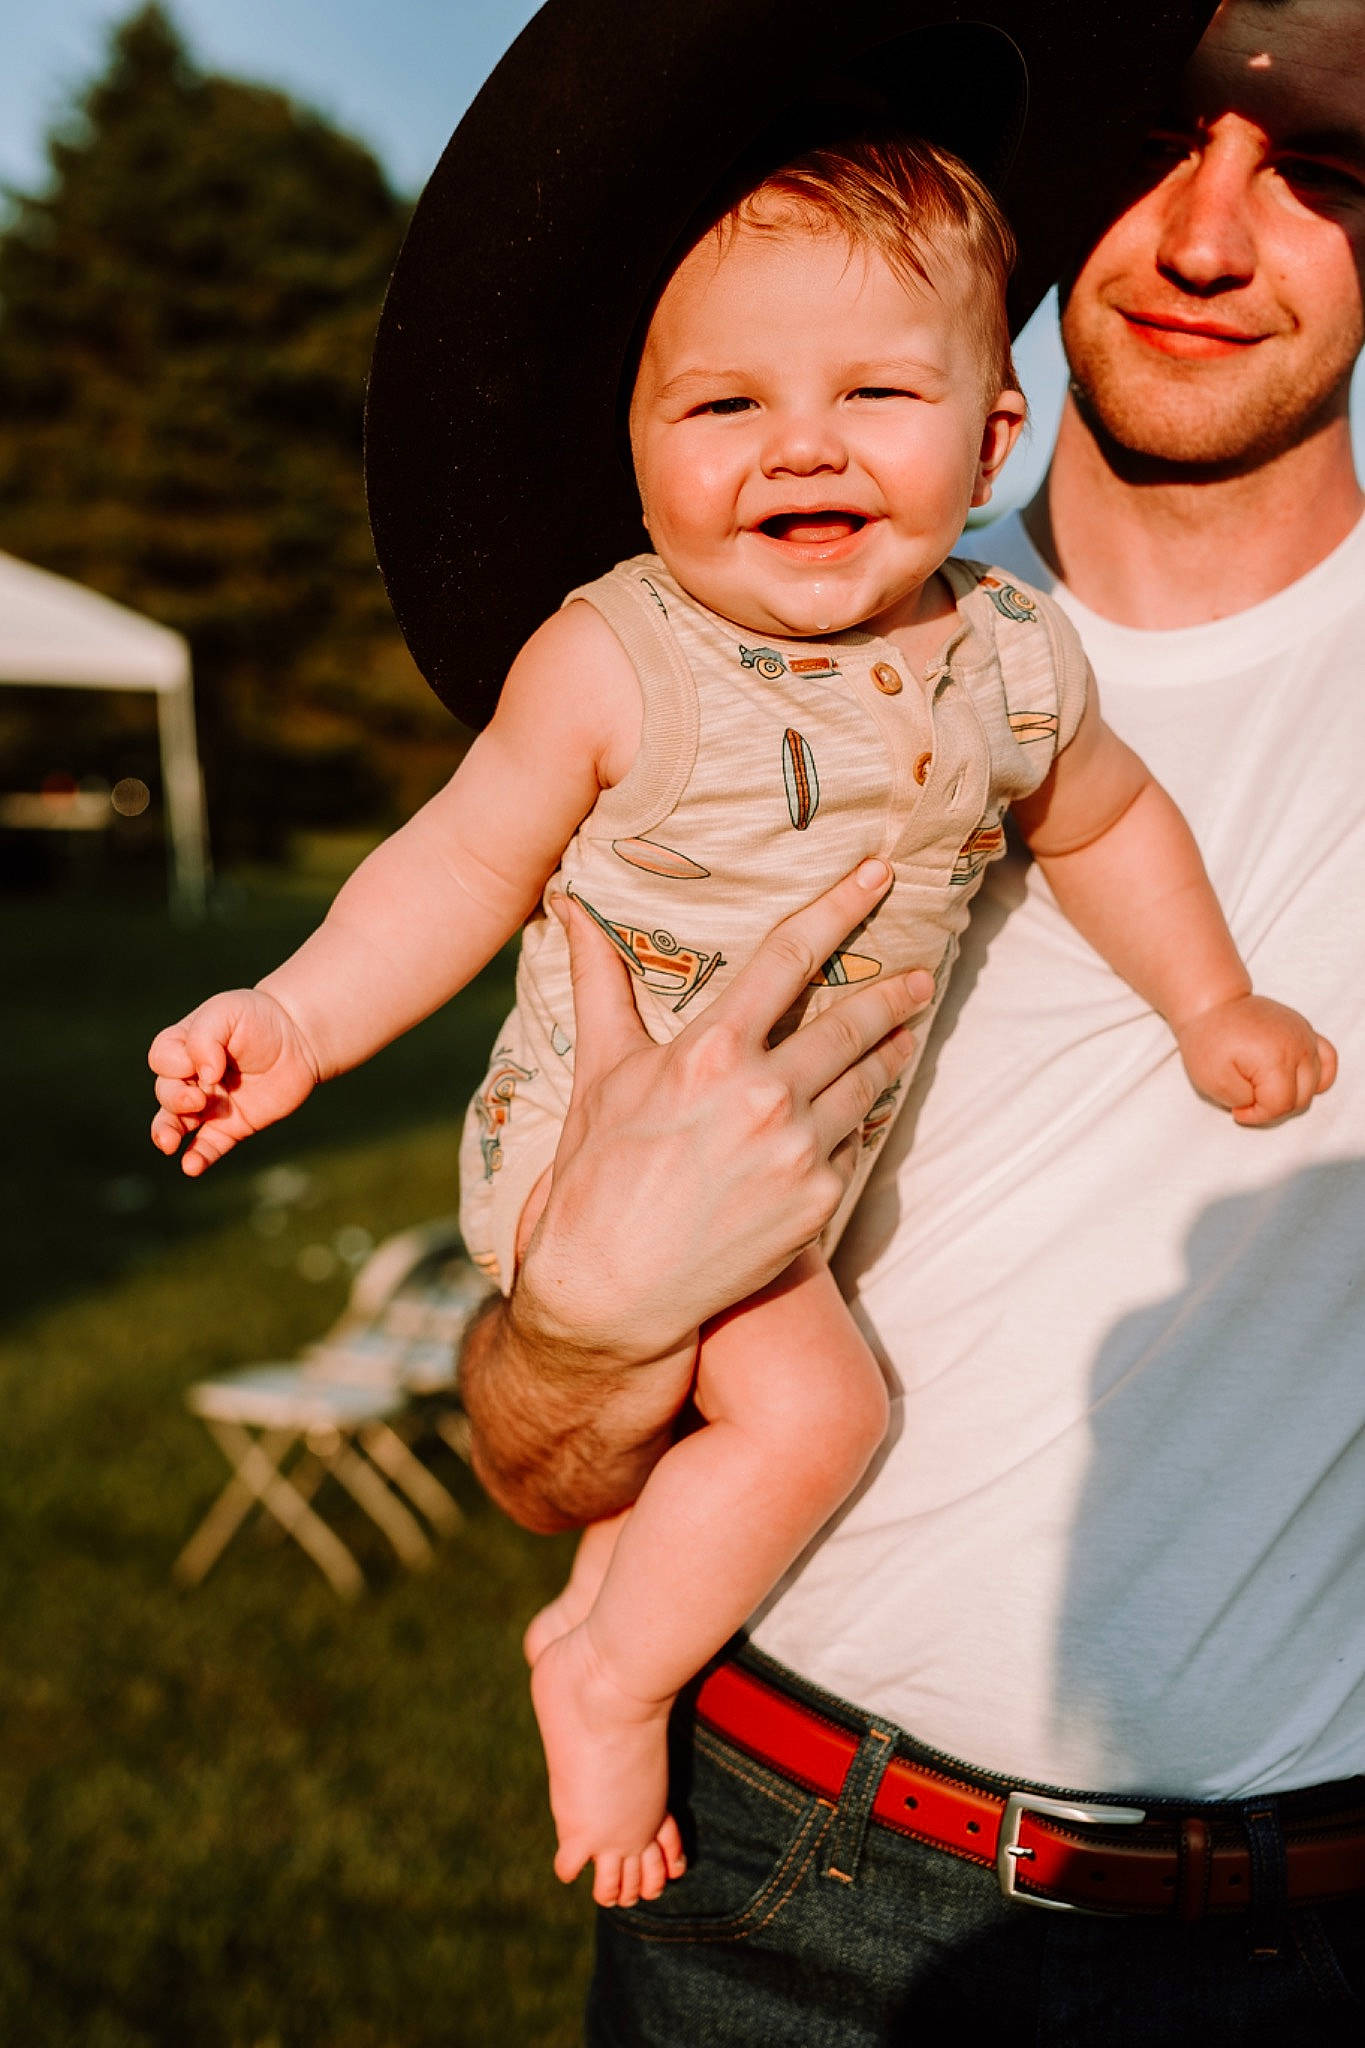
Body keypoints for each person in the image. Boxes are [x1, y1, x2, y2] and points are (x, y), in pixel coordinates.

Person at [146, 117, 1331, 1908]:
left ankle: (610, 1608)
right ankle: (610, 1677)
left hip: (797, 1178)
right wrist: (299, 1022)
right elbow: (460, 865)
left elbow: (1105, 820)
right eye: (722, 409)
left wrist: (1208, 998)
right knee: (811, 1414)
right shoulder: (620, 657)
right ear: (633, 451)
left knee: (708, 1429)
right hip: (608, 1149)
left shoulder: (1007, 661)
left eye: (873, 394)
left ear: (988, 432)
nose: (800, 445)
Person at [457, 0, 1365, 2038]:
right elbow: (528, 1451)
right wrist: (582, 1338)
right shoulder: (746, 672)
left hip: (1313, 1935)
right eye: (1152, 140)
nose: (1210, 234)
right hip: (773, 1881)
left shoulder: (1048, 706)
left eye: (1323, 169)